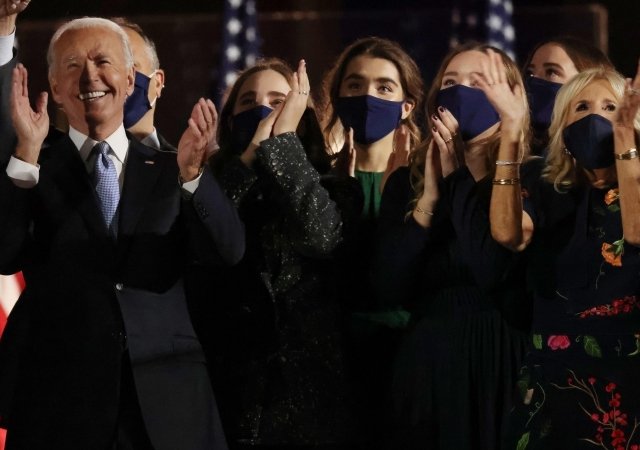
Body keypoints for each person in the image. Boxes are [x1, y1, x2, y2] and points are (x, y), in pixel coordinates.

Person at [0, 17, 245, 450]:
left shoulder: (174, 165)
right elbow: (5, 256)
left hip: (169, 401)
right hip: (60, 403)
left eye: (103, 62)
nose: (89, 76)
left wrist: (194, 178)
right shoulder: (34, 164)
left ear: (131, 80)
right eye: (73, 65)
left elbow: (228, 252)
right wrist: (24, 158)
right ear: (55, 87)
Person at [374, 42, 532, 450]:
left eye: (479, 83)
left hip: (501, 361)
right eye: (449, 82)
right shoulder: (406, 180)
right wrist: (428, 200)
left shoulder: (532, 177)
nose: (460, 91)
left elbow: (492, 270)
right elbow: (389, 287)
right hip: (427, 363)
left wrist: (458, 180)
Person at [207, 57, 361, 450]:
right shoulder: (209, 188)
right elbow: (205, 242)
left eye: (278, 101)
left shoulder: (336, 187)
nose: (263, 111)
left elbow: (322, 238)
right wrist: (250, 155)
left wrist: (283, 144)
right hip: (231, 393)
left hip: (312, 399)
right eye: (248, 102)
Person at [488, 56, 640, 447]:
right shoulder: (544, 182)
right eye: (581, 107)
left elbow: (636, 231)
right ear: (561, 125)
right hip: (553, 372)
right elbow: (508, 234)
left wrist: (625, 140)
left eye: (610, 107)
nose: (596, 117)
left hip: (627, 372)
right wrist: (510, 134)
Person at [319, 36, 425, 449]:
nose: (368, 97)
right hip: (337, 361)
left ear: (407, 106)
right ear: (338, 96)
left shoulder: (426, 181)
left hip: (411, 362)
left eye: (384, 87)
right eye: (355, 85)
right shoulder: (317, 181)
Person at [522, 36, 613, 155]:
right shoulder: (519, 147)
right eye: (530, 73)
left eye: (551, 72)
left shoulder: (608, 151)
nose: (534, 81)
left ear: (587, 80)